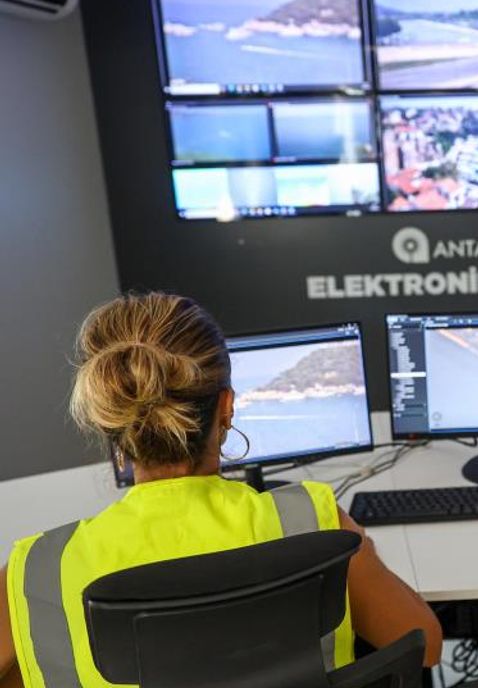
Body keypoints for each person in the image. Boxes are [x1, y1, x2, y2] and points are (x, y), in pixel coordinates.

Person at [0, 293, 442, 688]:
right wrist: (362, 547)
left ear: (109, 422)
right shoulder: (312, 519)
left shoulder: (38, 571)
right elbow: (425, 645)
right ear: (227, 408)